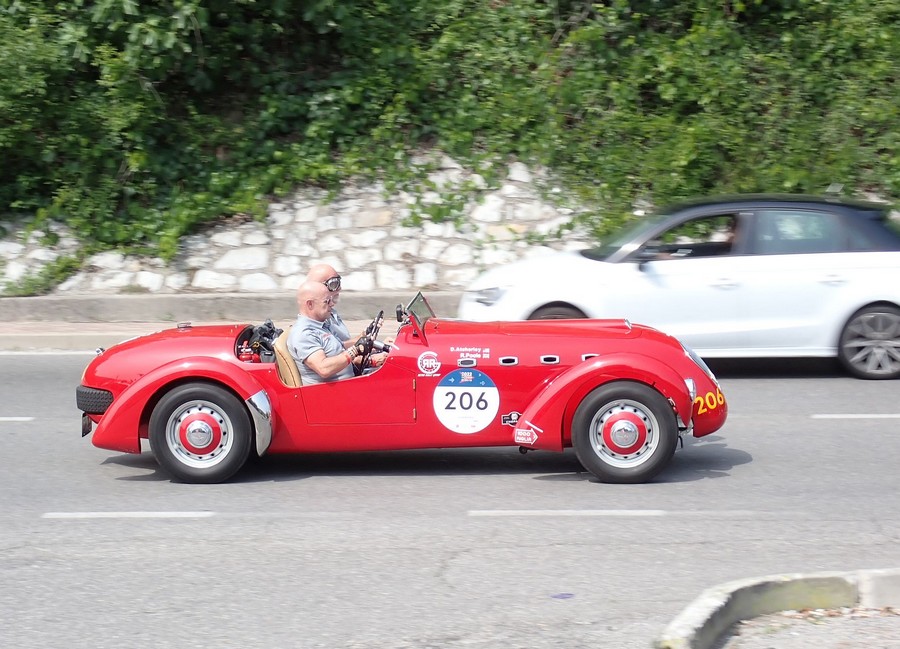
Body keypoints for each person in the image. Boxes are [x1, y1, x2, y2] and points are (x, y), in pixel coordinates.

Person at [287, 280, 374, 384]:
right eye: (327, 301)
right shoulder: (304, 333)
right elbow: (323, 369)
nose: (332, 304)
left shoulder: (321, 325)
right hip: (331, 392)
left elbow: (340, 347)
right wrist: (354, 351)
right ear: (310, 304)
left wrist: (365, 337)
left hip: (348, 384)